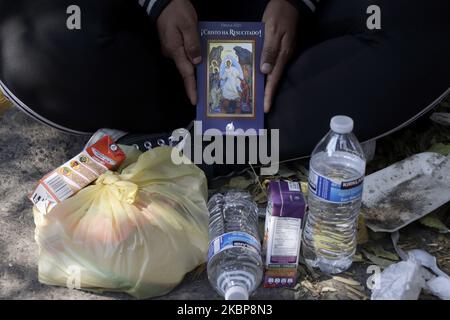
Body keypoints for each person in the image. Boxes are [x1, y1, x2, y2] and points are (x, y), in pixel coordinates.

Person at [0, 0, 448, 161]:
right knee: (33, 40)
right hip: (150, 34)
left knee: (421, 22)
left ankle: (229, 134)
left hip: (297, 32)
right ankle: (183, 117)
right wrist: (159, 3)